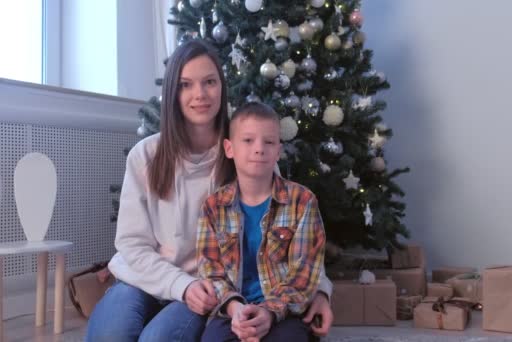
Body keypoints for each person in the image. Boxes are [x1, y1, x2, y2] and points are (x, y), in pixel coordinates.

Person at [85, 39, 333, 342]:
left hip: (207, 289)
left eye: (209, 82)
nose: (199, 94)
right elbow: (131, 244)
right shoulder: (146, 155)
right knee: (109, 335)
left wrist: (320, 290)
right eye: (186, 85)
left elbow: (288, 227)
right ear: (173, 93)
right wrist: (180, 285)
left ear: (221, 87)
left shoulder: (246, 151)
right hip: (143, 280)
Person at [198, 102, 326, 342]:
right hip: (232, 311)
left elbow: (304, 272)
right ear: (229, 148)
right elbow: (210, 271)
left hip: (284, 311)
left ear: (278, 150)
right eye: (248, 141)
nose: (259, 149)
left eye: (268, 142)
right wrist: (236, 310)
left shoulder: (303, 201)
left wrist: (269, 312)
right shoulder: (213, 207)